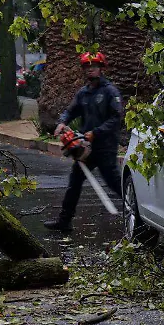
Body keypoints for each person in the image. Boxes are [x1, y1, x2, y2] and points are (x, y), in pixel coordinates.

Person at [43, 52, 124, 233]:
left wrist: (96, 133)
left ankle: (139, 215)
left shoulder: (110, 92)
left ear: (101, 68)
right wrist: (62, 122)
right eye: (87, 67)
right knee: (74, 182)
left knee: (114, 183)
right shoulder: (83, 93)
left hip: (105, 148)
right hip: (85, 149)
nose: (90, 70)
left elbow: (116, 118)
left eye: (94, 66)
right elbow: (70, 111)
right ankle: (64, 221)